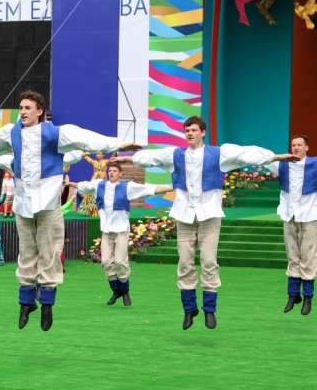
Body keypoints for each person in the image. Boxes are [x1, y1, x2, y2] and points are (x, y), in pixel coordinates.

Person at [0, 90, 139, 331]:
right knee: (26, 252)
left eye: (28, 108)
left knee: (50, 252)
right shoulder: (12, 131)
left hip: (47, 202)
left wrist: (119, 144)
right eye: (21, 107)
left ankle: (47, 305)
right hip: (24, 204)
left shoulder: (55, 133)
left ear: (39, 112)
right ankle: (26, 303)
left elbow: (87, 139)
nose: (23, 111)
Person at [112, 115, 297, 329]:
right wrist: (125, 159)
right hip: (184, 216)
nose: (189, 133)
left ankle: (210, 309)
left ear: (202, 132)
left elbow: (247, 154)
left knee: (209, 261)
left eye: (193, 130)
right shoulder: (175, 155)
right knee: (185, 262)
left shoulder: (219, 154)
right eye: (187, 130)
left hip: (209, 215)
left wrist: (277, 157)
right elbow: (150, 157)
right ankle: (189, 309)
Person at [68, 162, 173, 306]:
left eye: (114, 171)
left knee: (120, 261)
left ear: (120, 173)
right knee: (105, 262)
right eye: (110, 171)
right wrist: (69, 184)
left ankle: (125, 291)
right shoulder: (99, 185)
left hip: (122, 230)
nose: (111, 173)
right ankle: (115, 290)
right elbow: (82, 185)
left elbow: (149, 189)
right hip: (106, 231)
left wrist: (174, 186)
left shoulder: (128, 186)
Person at [265, 135, 317, 315]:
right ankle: (293, 294)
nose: (296, 148)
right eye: (293, 145)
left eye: (299, 145)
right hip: (289, 215)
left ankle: (308, 296)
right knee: (292, 254)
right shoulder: (282, 164)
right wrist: (281, 156)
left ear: (306, 148)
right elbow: (263, 158)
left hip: (310, 215)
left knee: (308, 256)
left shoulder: (315, 164)